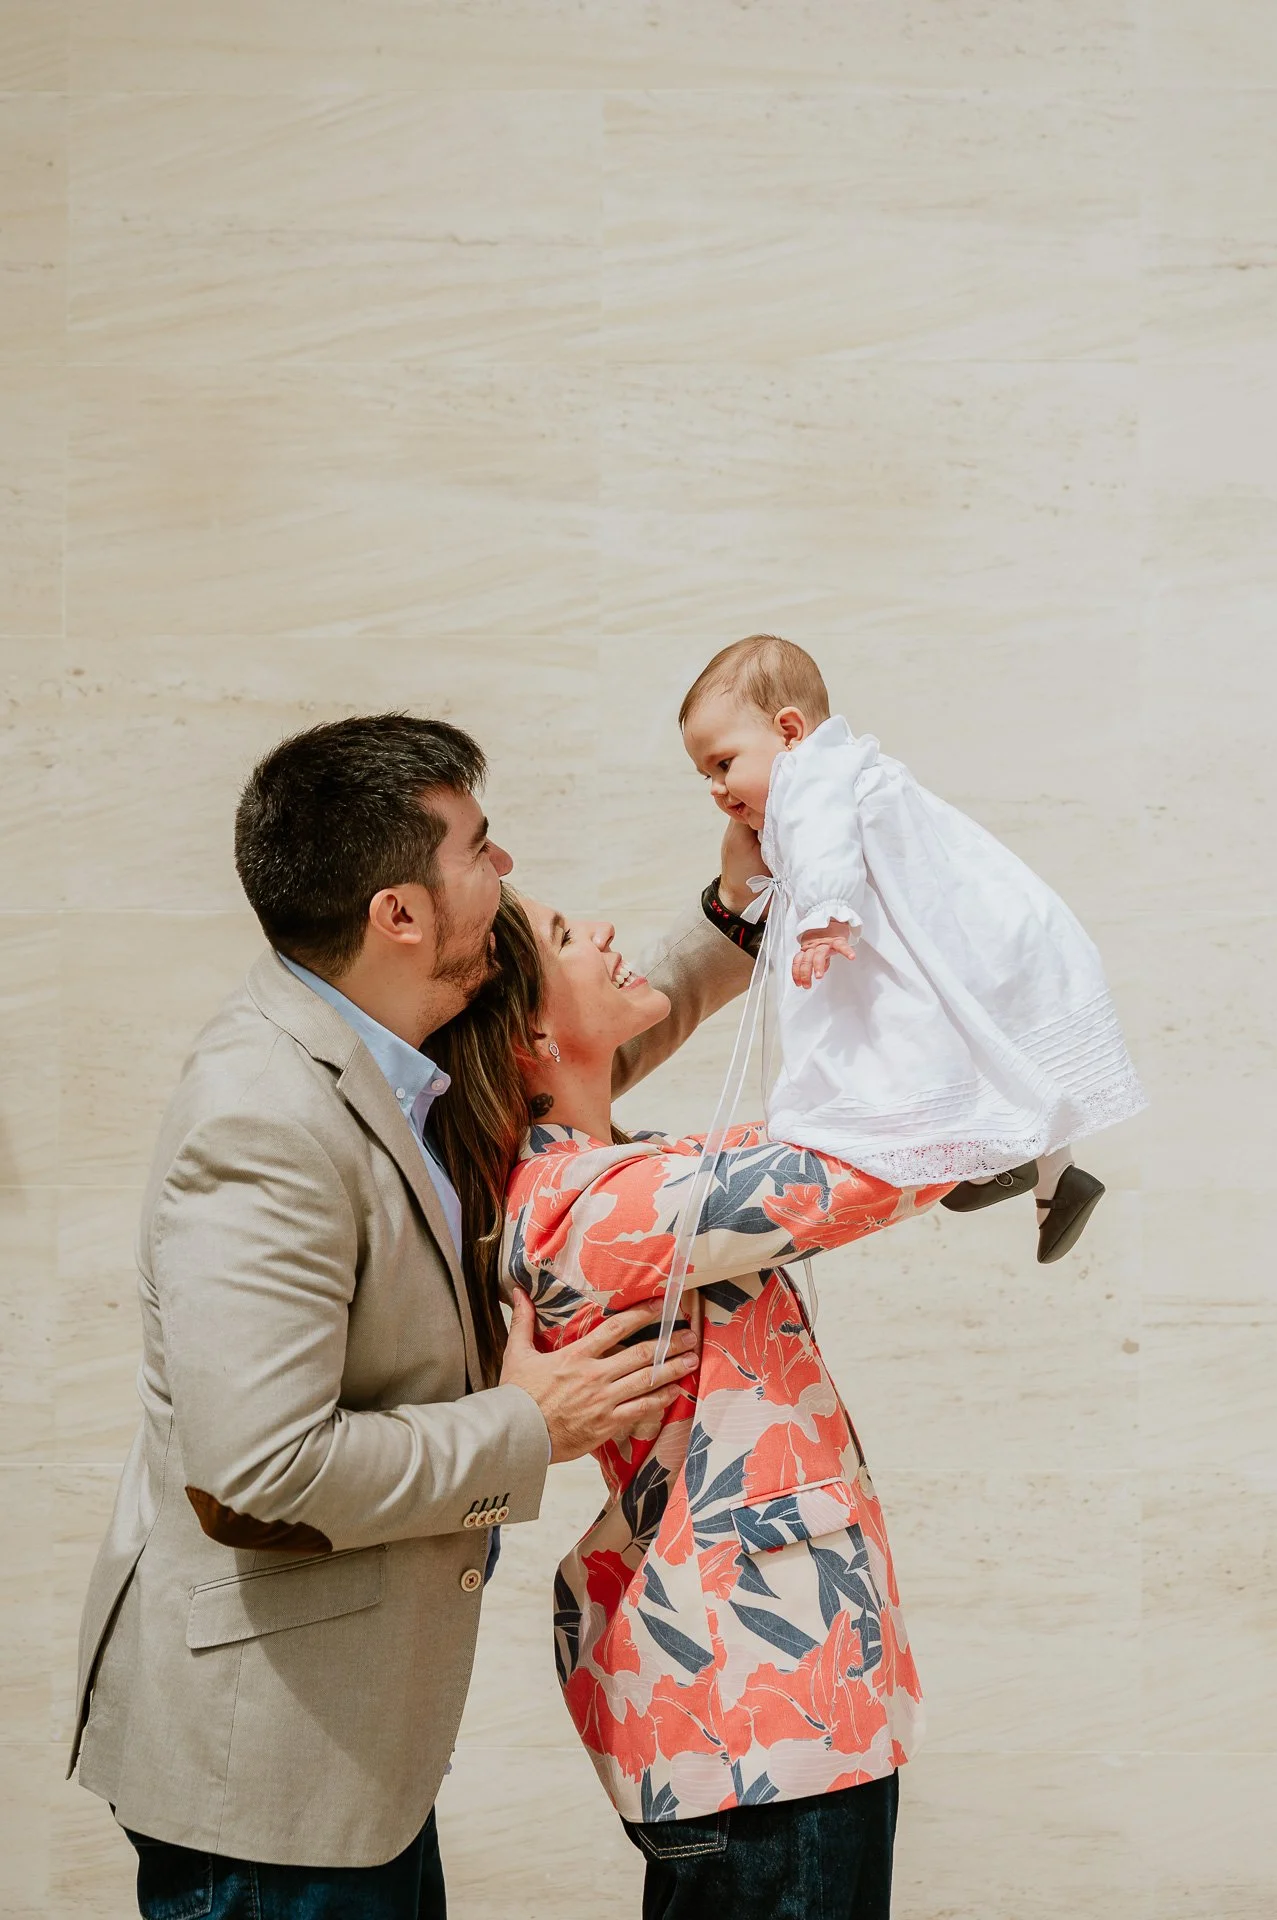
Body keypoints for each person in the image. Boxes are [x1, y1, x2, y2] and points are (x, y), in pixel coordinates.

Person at [69, 712, 761, 1920]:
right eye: (479, 851)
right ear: (399, 912)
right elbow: (262, 1464)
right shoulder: (262, 1120)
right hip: (266, 1777)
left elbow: (568, 1047)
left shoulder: (396, 1052)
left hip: (355, 1756)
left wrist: (734, 912)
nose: (503, 875)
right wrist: (522, 1428)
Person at [429, 885, 953, 1920]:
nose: (606, 931)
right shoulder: (594, 1207)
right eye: (570, 935)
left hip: (776, 1713)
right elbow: (866, 1167)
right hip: (754, 1721)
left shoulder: (614, 1175)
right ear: (532, 1031)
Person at [679, 634, 1147, 1264]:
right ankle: (1051, 1176)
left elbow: (825, 845)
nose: (716, 788)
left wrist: (824, 914)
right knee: (993, 1046)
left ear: (790, 731)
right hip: (964, 932)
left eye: (723, 762)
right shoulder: (846, 765)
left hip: (883, 934)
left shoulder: (808, 777)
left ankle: (996, 1168)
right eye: (705, 774)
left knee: (902, 1051)